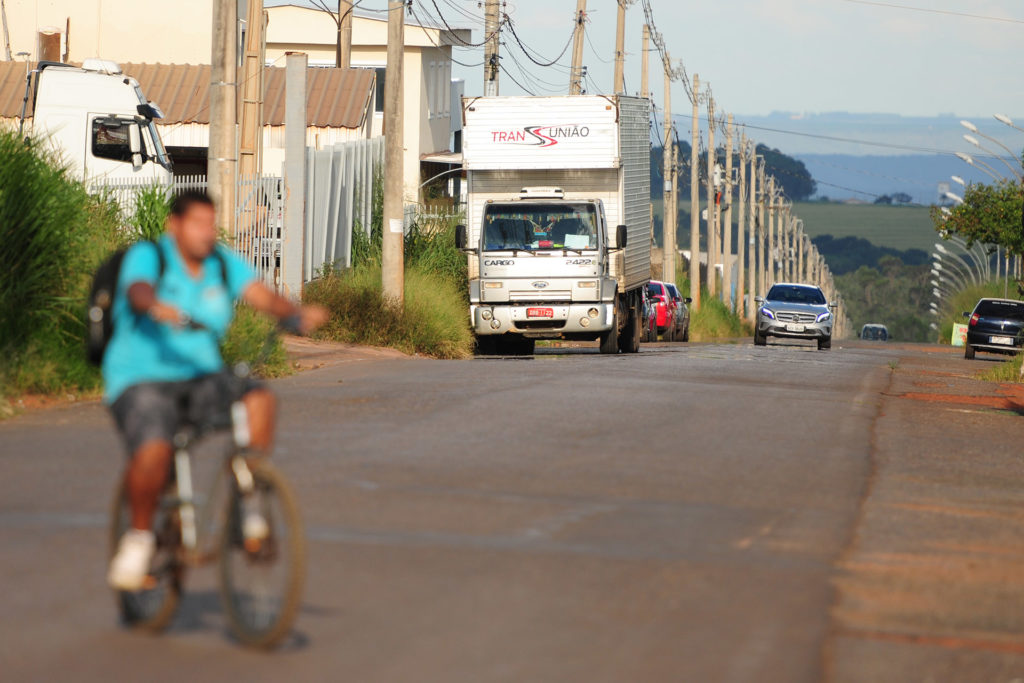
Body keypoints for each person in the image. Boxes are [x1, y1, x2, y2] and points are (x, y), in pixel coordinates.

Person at [105, 190, 327, 591]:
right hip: (141, 378)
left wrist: (293, 312)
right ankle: (137, 542)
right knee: (154, 449)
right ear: (175, 225)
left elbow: (261, 295)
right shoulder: (149, 256)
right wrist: (156, 306)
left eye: (211, 223)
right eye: (197, 224)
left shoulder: (221, 264)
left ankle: (249, 497)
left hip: (200, 375)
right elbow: (138, 291)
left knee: (258, 399)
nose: (207, 233)